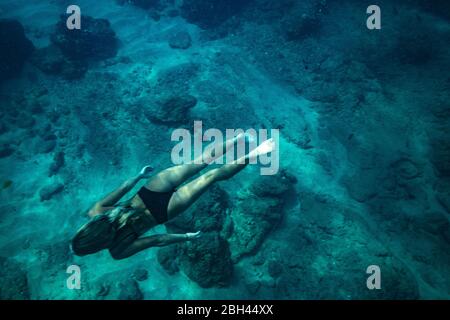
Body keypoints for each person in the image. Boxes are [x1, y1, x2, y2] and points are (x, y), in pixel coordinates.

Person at [71, 134, 275, 260]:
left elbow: (158, 240)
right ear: (85, 230)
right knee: (201, 161)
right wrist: (140, 176)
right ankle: (240, 139)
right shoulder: (95, 212)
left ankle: (256, 152)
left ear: (95, 248)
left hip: (163, 211)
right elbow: (124, 187)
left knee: (212, 176)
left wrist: (186, 237)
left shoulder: (118, 250)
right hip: (149, 191)